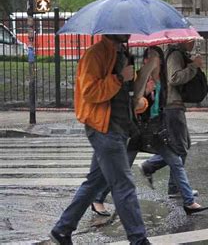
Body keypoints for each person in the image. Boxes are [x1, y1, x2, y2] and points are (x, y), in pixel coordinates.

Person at [49, 35, 150, 245]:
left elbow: (124, 97)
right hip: (105, 129)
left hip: (120, 128)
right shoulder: (96, 54)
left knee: (96, 182)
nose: (130, 31)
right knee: (124, 185)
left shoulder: (123, 53)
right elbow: (90, 92)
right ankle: (138, 239)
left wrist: (144, 80)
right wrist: (120, 78)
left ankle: (62, 229)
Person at [138, 40, 208, 215]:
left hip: (174, 106)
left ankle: (159, 174)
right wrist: (193, 66)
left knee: (182, 147)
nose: (194, 43)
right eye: (193, 40)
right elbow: (174, 78)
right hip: (172, 107)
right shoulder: (175, 54)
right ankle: (170, 185)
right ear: (185, 40)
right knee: (179, 150)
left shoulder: (178, 54)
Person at [90, 46, 164, 217]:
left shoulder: (155, 79)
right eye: (152, 58)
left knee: (174, 157)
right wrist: (144, 96)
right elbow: (133, 103)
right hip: (125, 129)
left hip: (139, 129)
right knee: (110, 172)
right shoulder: (133, 75)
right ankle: (97, 200)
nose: (156, 62)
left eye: (157, 58)